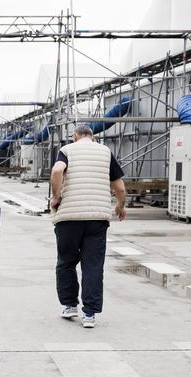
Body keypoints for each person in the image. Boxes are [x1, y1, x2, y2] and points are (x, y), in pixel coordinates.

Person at [49, 125, 127, 328]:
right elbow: (119, 187)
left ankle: (69, 305)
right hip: (97, 218)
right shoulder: (105, 152)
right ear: (93, 137)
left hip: (68, 217)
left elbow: (57, 170)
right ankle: (89, 314)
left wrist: (56, 196)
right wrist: (120, 206)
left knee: (66, 262)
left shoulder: (67, 150)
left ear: (75, 137)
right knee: (93, 265)